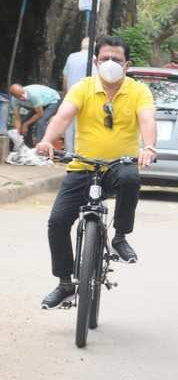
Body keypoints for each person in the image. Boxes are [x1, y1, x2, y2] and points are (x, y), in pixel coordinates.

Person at [35, 36, 157, 309]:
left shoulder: (138, 91)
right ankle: (65, 284)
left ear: (127, 64)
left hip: (118, 165)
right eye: (105, 59)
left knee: (130, 178)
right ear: (95, 61)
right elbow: (64, 115)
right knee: (57, 222)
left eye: (116, 59)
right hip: (82, 167)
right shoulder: (83, 88)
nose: (110, 64)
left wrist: (148, 146)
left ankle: (120, 238)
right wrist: (47, 140)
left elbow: (147, 118)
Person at [62, 37, 91, 152]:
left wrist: (65, 95)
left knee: (69, 125)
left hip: (71, 96)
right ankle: (82, 153)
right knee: (85, 126)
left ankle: (69, 154)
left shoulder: (71, 57)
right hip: (88, 97)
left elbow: (65, 78)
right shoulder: (94, 58)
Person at [9, 83, 61, 147]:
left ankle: (41, 148)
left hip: (52, 100)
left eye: (23, 93)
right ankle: (28, 147)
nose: (23, 96)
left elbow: (40, 113)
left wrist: (26, 124)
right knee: (23, 122)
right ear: (15, 97)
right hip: (39, 105)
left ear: (23, 88)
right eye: (20, 96)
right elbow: (17, 118)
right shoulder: (14, 100)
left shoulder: (33, 94)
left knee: (41, 122)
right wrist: (17, 134)